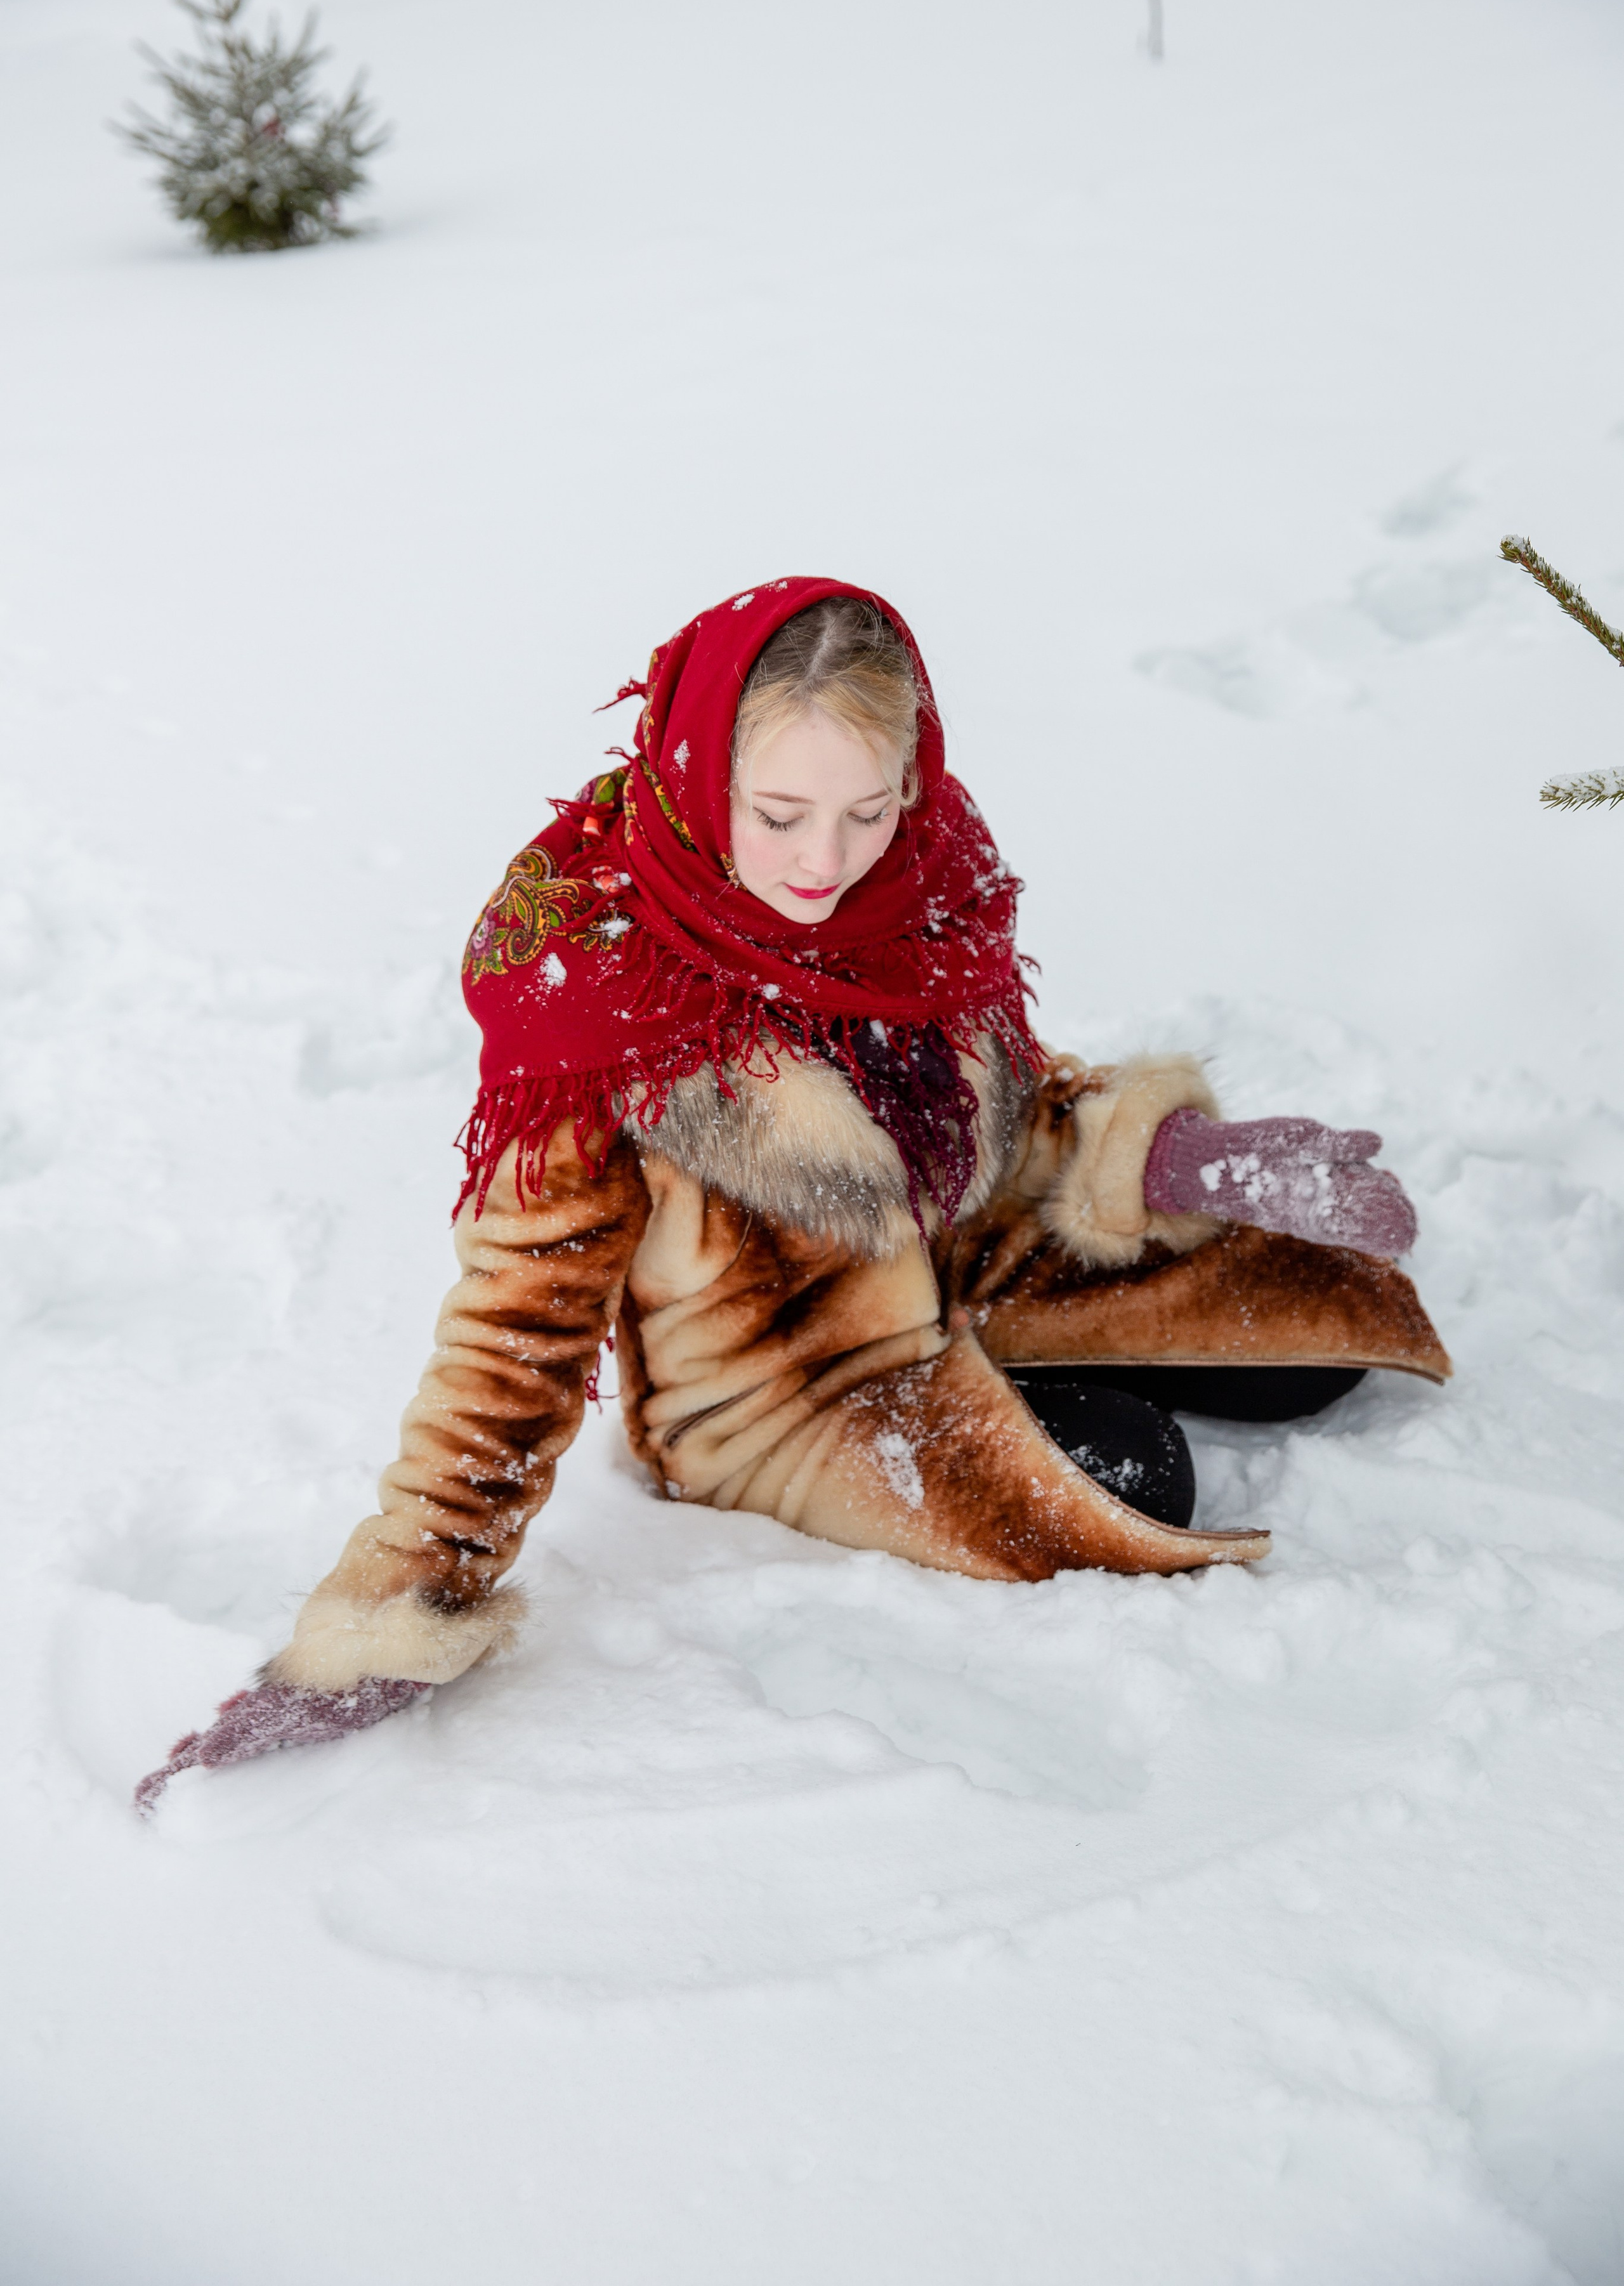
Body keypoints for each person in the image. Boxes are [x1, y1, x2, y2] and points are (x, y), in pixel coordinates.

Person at [136, 578, 1449, 1808]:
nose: (826, 862)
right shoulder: (598, 1002)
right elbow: (512, 1337)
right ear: (702, 772)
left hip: (961, 1250)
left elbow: (992, 1112)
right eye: (778, 816)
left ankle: (1030, 1347)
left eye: (865, 811)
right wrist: (396, 1605)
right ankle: (993, 1395)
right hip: (791, 1394)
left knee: (1313, 1344)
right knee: (1139, 1477)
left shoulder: (926, 880)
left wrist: (1160, 1161)